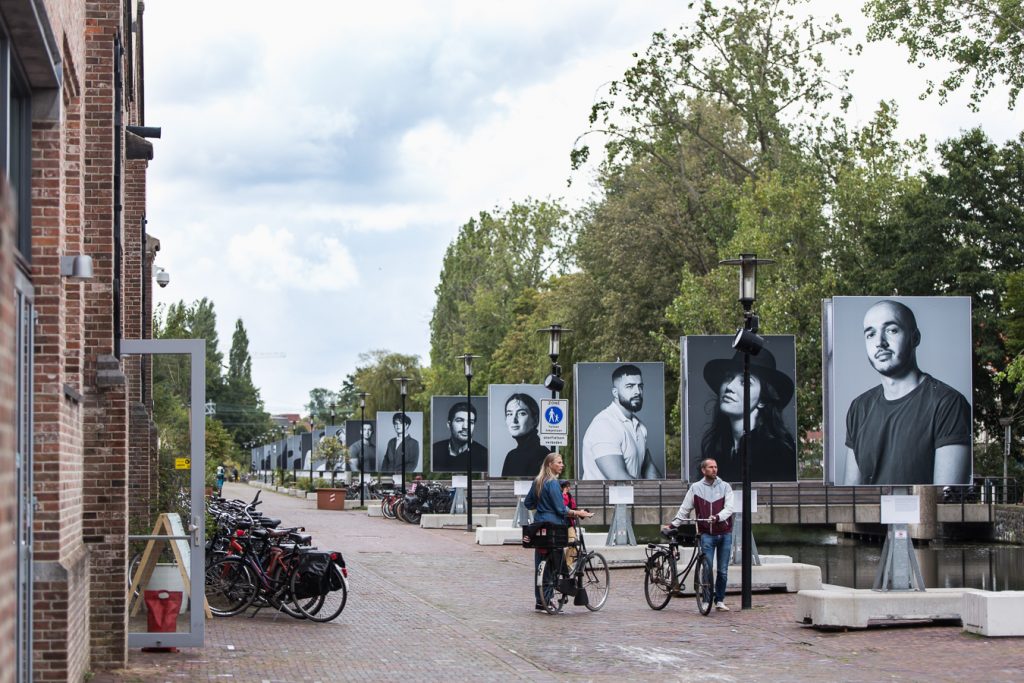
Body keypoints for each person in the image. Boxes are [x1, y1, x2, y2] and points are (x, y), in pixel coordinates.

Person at [844, 300, 971, 486]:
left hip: (922, 516)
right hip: (870, 515)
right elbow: (851, 495)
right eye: (870, 334)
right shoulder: (859, 407)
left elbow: (945, 500)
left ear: (915, 337)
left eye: (891, 330)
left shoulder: (948, 403)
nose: (880, 342)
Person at [699, 348, 797, 482]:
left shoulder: (776, 453)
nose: (730, 386)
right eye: (728, 377)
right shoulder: (718, 448)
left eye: (745, 382)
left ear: (762, 400)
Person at [523, 454, 593, 611]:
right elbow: (561, 509)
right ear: (550, 465)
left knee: (541, 562)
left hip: (539, 524)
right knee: (555, 563)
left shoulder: (538, 481)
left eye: (562, 462)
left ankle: (540, 601)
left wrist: (541, 506)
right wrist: (578, 513)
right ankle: (548, 597)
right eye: (559, 463)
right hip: (554, 526)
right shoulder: (553, 483)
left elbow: (528, 503)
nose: (562, 465)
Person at [665, 457, 734, 611]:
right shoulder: (695, 488)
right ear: (703, 470)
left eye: (716, 467)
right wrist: (673, 525)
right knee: (706, 567)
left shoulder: (725, 487)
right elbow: (684, 509)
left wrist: (717, 518)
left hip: (724, 533)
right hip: (706, 534)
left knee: (723, 570)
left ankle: (720, 600)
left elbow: (729, 508)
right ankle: (706, 600)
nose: (714, 469)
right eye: (710, 467)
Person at [582, 364, 662, 479]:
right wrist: (646, 496)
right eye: (630, 386)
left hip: (630, 496)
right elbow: (619, 479)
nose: (637, 392)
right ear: (615, 392)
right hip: (605, 497)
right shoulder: (604, 425)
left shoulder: (640, 426)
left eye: (640, 386)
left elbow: (648, 466)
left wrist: (660, 492)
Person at [431, 401, 488, 472]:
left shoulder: (484, 455)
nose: (465, 427)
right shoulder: (435, 450)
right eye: (459, 420)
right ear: (449, 425)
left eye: (470, 422)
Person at [500, 393, 548, 477]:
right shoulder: (511, 456)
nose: (514, 420)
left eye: (521, 413)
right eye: (509, 414)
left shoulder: (543, 455)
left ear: (535, 420)